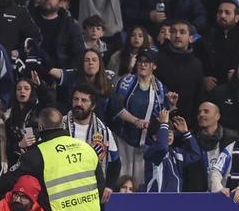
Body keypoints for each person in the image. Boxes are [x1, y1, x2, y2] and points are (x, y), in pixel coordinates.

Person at [109, 49, 176, 189]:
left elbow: (162, 117)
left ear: (154, 66)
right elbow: (116, 108)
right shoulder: (125, 82)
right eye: (140, 61)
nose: (143, 65)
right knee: (122, 179)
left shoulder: (161, 88)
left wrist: (171, 105)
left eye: (147, 62)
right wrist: (135, 121)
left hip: (145, 143)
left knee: (139, 182)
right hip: (123, 138)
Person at [64, 84, 121, 198]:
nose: (79, 104)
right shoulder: (60, 125)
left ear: (93, 106)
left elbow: (115, 162)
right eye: (76, 99)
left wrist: (109, 186)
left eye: (84, 100)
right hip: (65, 190)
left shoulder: (103, 131)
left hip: (92, 193)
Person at [143, 108, 202, 192]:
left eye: (171, 132)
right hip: (156, 200)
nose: (170, 135)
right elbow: (162, 147)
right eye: (167, 132)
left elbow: (195, 155)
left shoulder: (176, 153)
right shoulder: (151, 151)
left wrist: (186, 132)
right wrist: (163, 123)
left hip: (175, 201)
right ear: (155, 137)